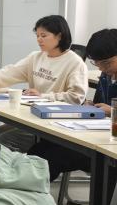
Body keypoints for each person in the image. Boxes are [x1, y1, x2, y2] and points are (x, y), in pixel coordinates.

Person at [0, 14, 88, 152]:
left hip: (53, 123)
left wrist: (43, 96)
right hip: (33, 116)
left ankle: (8, 166)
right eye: (37, 36)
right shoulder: (36, 57)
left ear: (59, 36)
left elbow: (76, 97)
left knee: (3, 140)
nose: (39, 40)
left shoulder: (74, 63)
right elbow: (11, 72)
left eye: (44, 35)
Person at [29, 28, 117, 181]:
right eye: (97, 64)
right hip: (96, 136)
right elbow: (101, 103)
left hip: (107, 146)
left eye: (106, 63)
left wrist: (113, 111)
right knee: (39, 150)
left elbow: (111, 109)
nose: (102, 69)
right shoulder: (106, 75)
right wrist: (91, 105)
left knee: (51, 158)